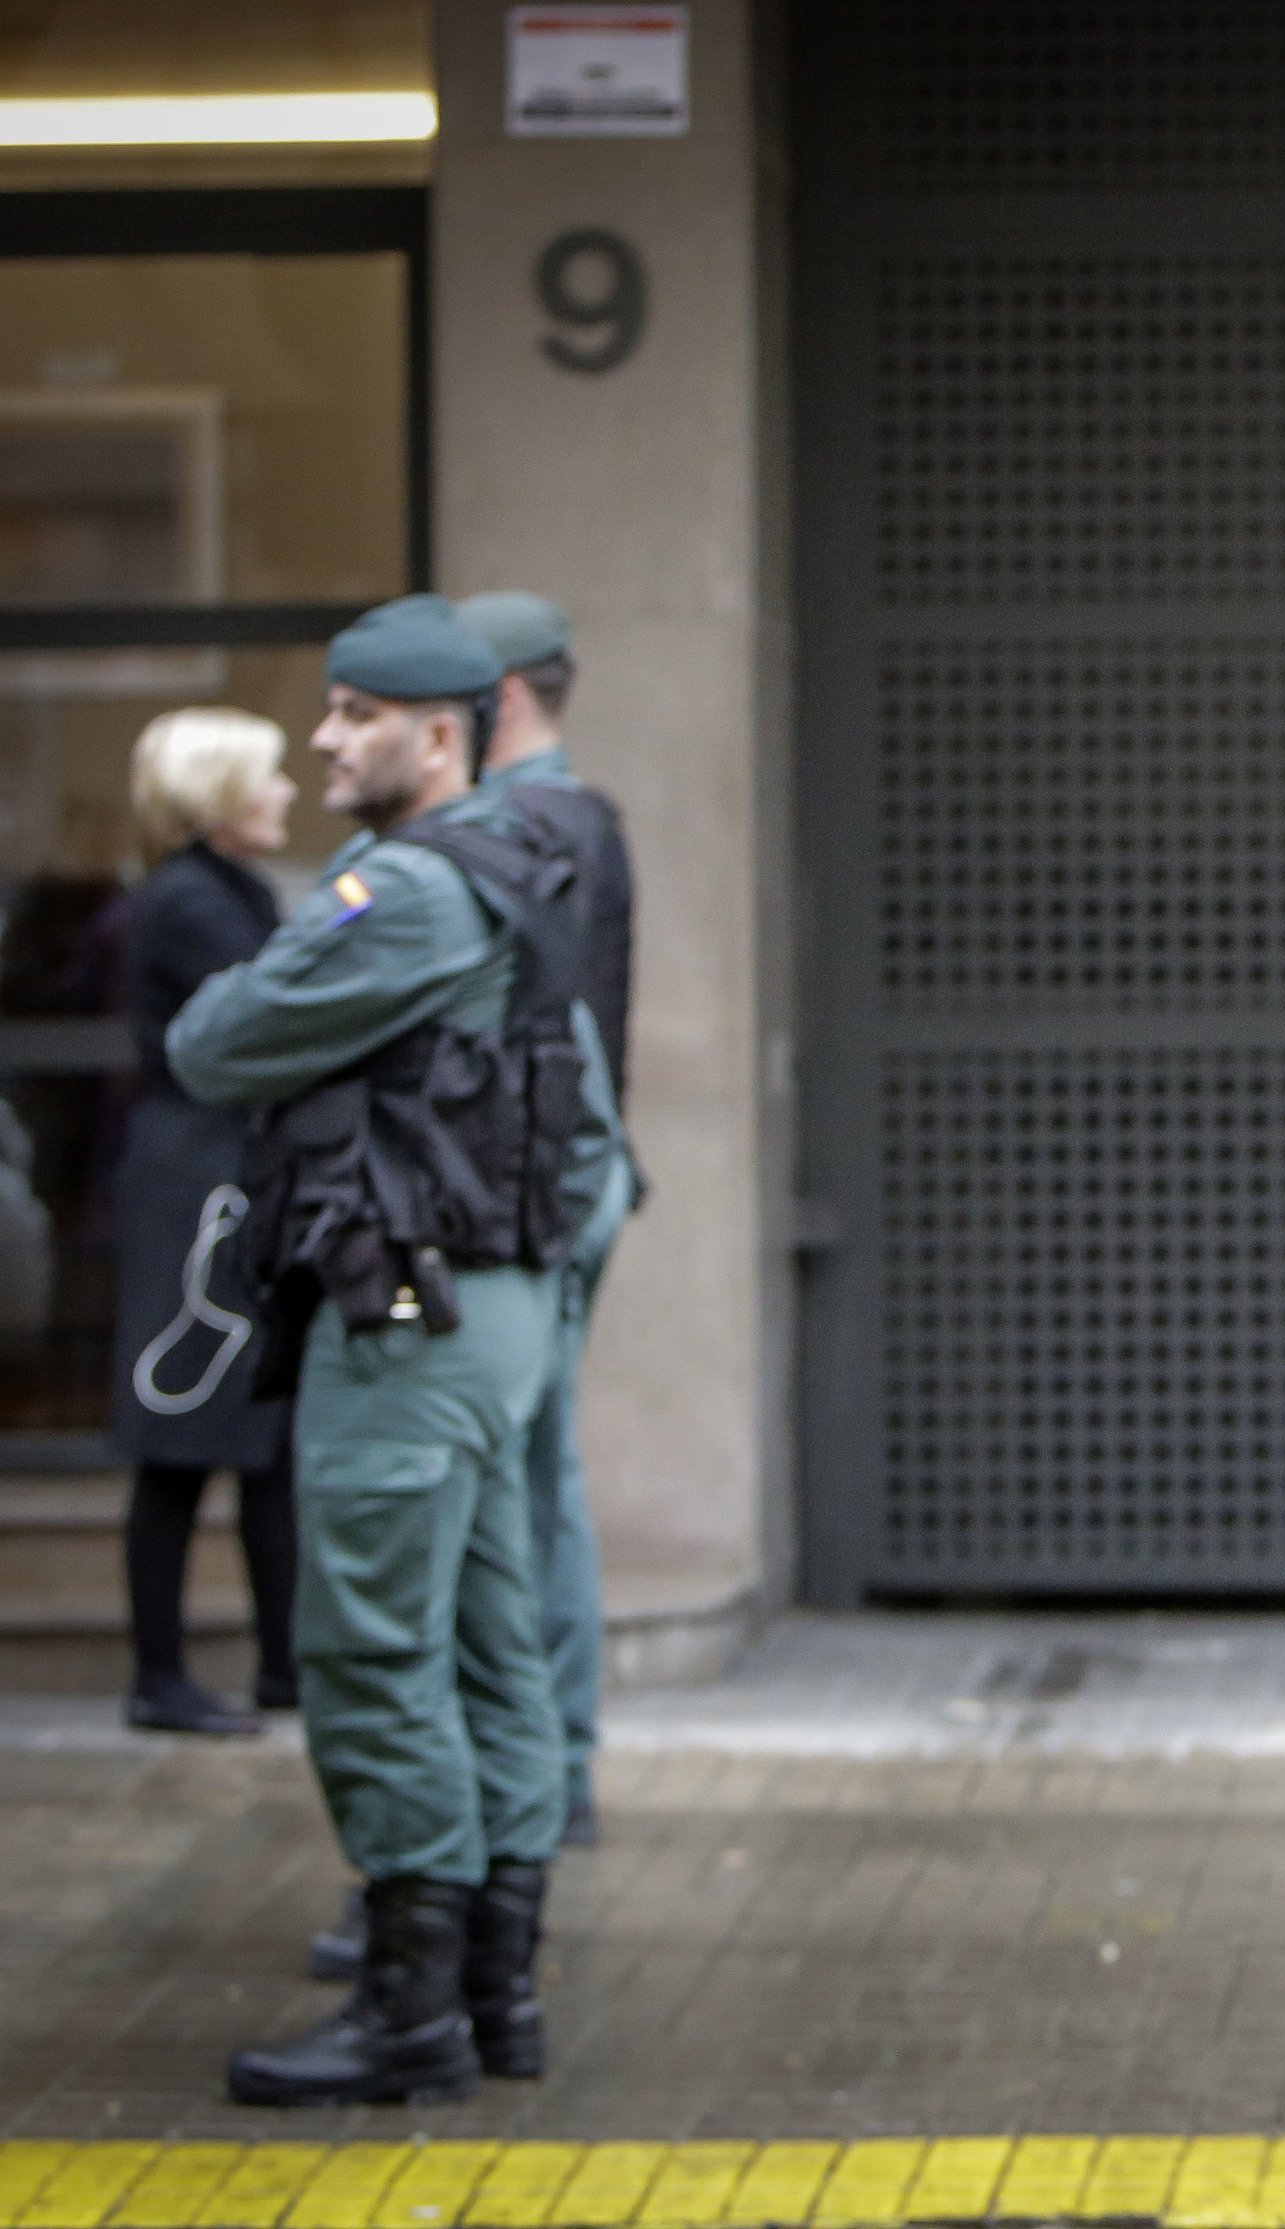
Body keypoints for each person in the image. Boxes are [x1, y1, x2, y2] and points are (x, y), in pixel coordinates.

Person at [172, 595, 597, 2107]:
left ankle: (409, 2011)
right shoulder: (526, 866)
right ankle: (496, 1995)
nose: (322, 736)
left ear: (438, 732)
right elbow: (591, 1139)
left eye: (353, 714)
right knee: (490, 1645)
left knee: (371, 1648)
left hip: (406, 1323)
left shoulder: (406, 893)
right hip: (493, 1314)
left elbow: (212, 1042)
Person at [459, 591, 636, 1849]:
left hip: (542, 1193)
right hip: (570, 1181)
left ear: (502, 697)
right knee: (539, 1479)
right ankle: (552, 1766)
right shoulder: (587, 819)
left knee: (531, 1491)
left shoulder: (525, 826)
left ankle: (548, 1772)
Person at [110, 709, 302, 1736]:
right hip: (197, 1183)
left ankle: (282, 1660)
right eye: (267, 778)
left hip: (224, 1176)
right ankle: (160, 1677)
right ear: (220, 793)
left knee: (261, 1435)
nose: (287, 794)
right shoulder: (191, 902)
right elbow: (278, 1005)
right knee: (181, 1432)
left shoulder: (226, 891)